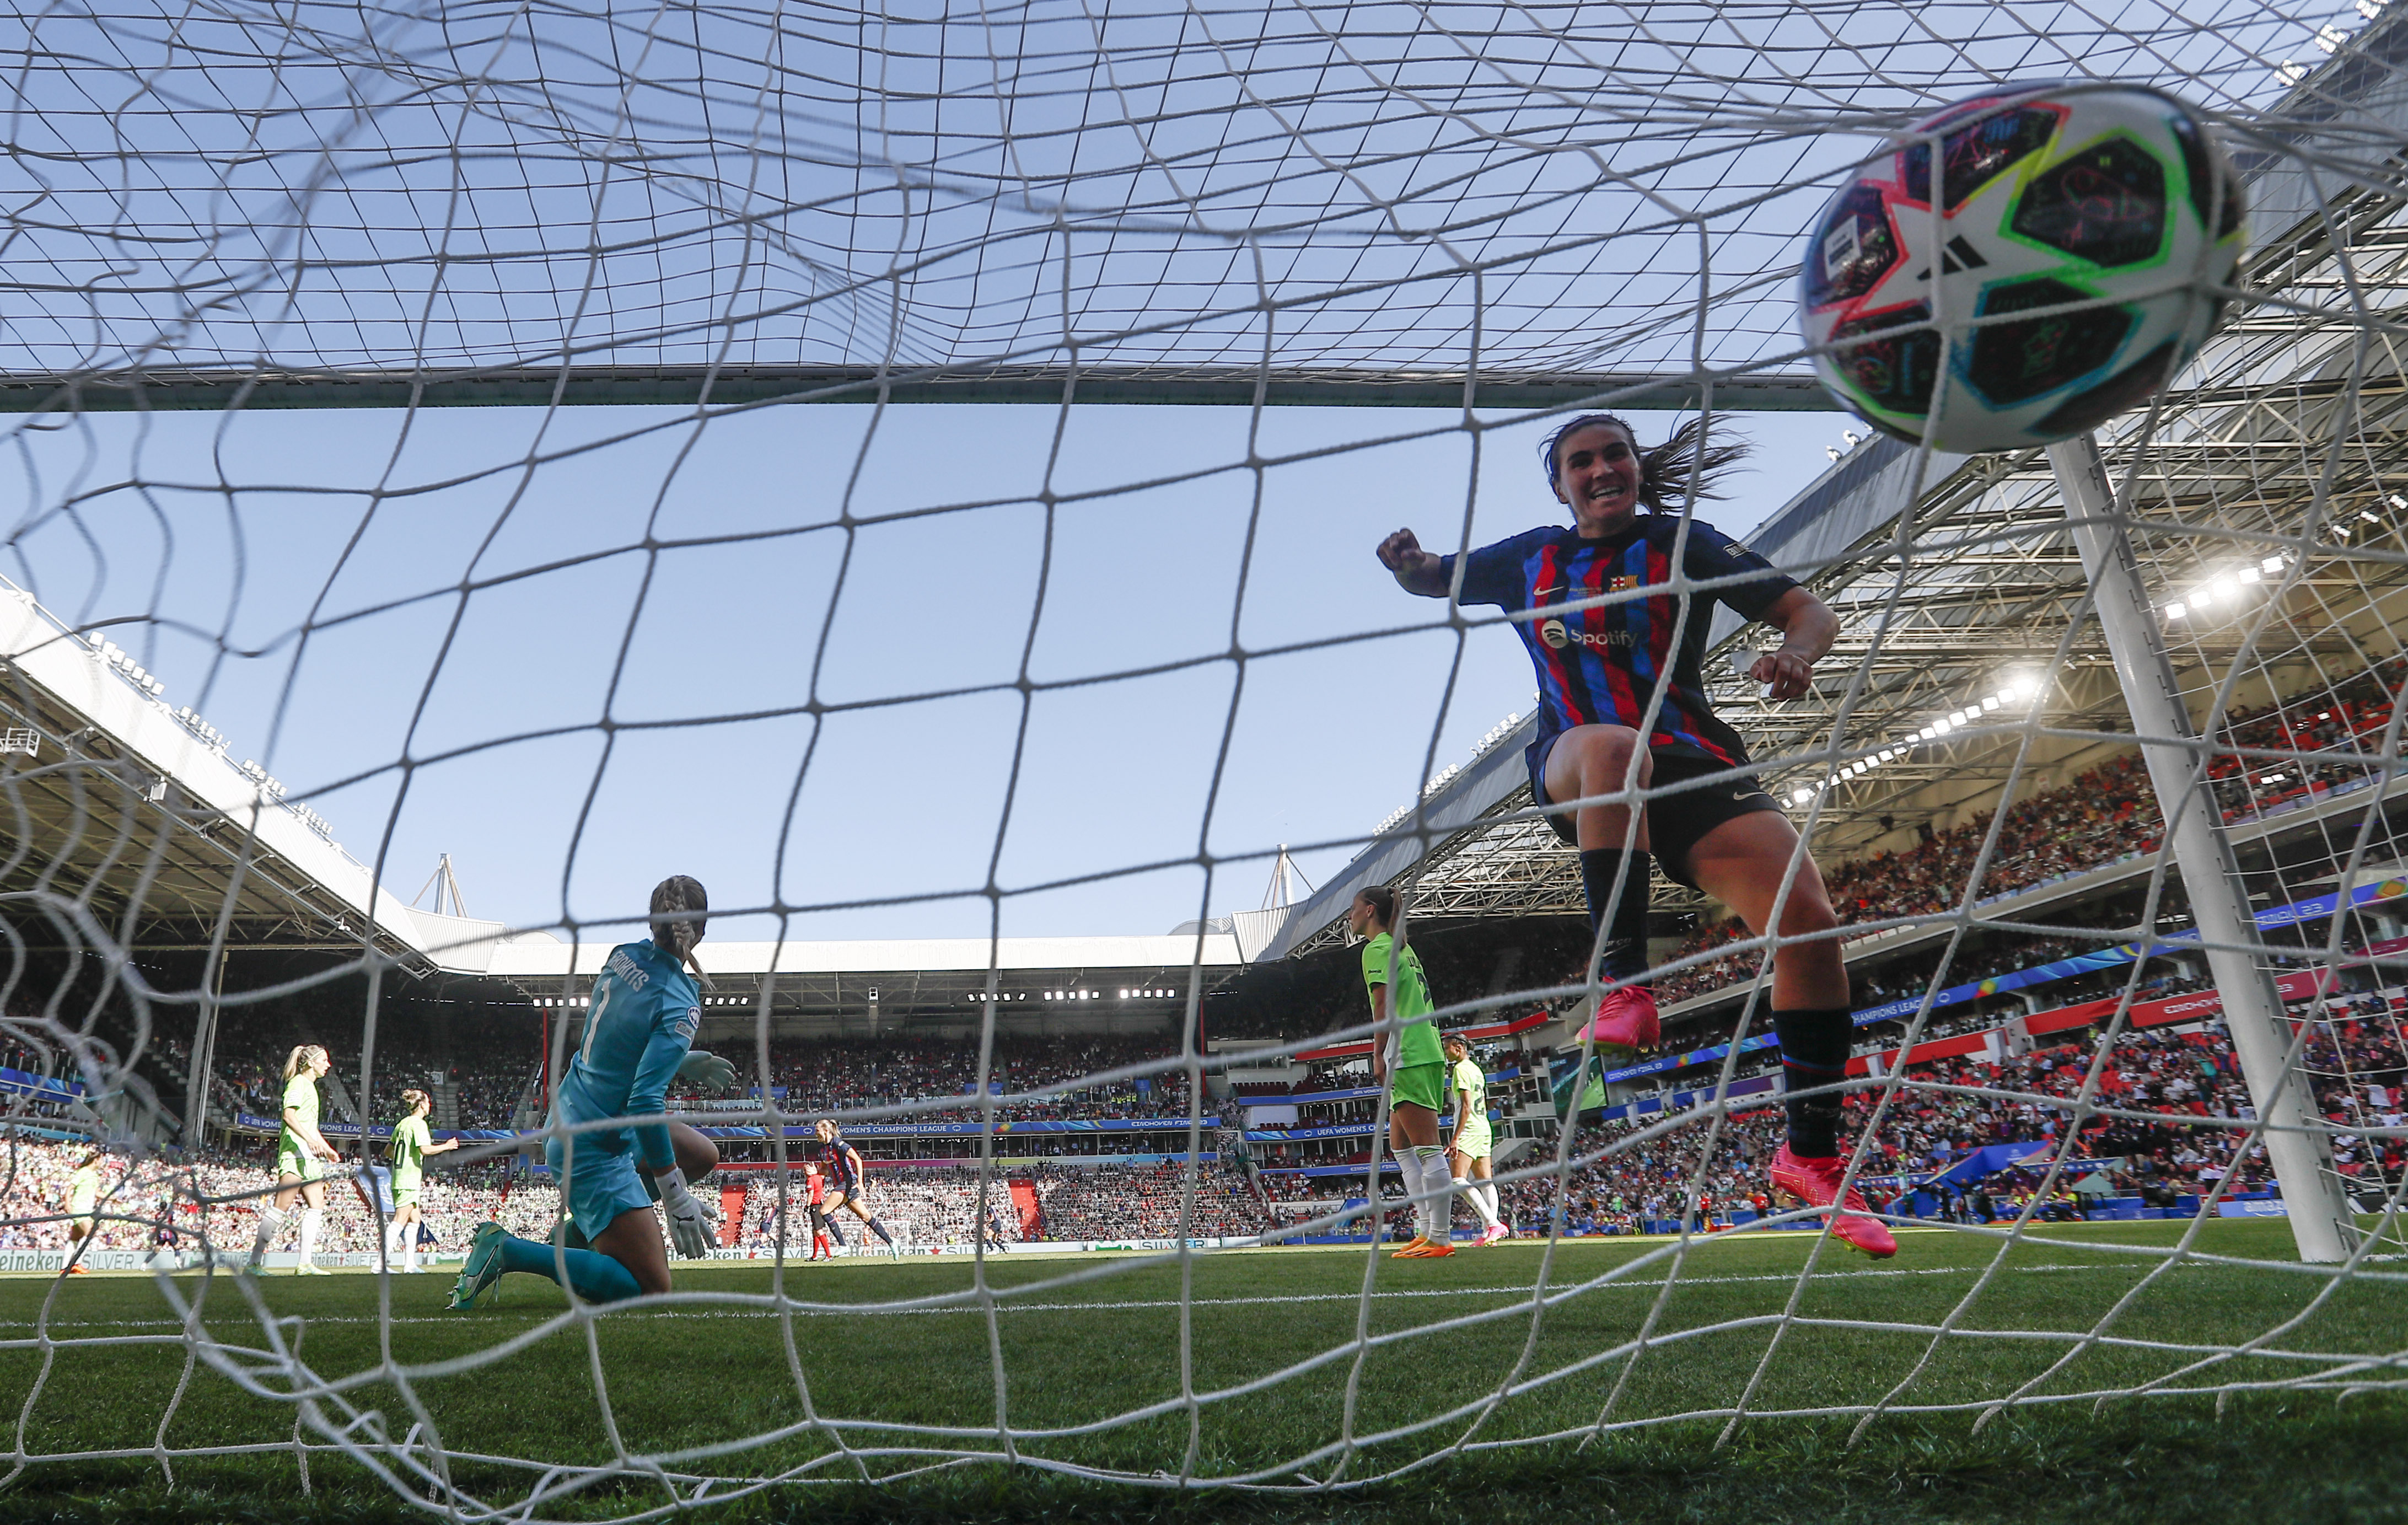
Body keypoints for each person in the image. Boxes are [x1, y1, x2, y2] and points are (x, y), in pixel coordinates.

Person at [1375, 413, 1894, 1259]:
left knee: (1810, 923)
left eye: (1614, 452)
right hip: (1579, 760)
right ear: (1561, 485)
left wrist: (1796, 654)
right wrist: (1408, 564)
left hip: (1693, 761)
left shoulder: (1684, 543)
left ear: (1636, 467)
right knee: (1616, 744)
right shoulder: (1529, 557)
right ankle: (1622, 982)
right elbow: (1438, 578)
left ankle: (1811, 1154)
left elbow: (1810, 613)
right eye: (1581, 460)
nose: (1600, 467)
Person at [450, 876, 724, 1309]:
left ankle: (577, 1233)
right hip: (596, 1145)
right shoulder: (680, 1000)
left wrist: (680, 1060)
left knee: (702, 1155)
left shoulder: (623, 957)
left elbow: (621, 1036)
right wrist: (675, 1196)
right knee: (651, 1290)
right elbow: (645, 1102)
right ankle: (508, 1250)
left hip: (575, 1115)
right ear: (703, 930)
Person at [1351, 886, 1453, 1259]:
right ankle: (1427, 1231)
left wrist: (1376, 1053)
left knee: (1427, 1150)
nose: (1350, 917)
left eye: (1353, 909)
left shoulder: (1376, 949)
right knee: (1402, 1148)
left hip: (1410, 1051)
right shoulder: (1403, 949)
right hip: (1421, 1047)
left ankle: (1440, 1238)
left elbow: (1383, 1007)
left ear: (1369, 910)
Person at [248, 1045, 341, 1275]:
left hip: (308, 1155)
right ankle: (253, 1263)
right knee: (281, 1207)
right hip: (294, 1152)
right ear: (311, 1063)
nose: (328, 1065)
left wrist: (327, 1149)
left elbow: (310, 1126)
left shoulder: (310, 1087)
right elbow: (288, 1116)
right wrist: (309, 1140)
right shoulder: (298, 1083)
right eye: (324, 1061)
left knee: (317, 1205)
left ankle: (305, 1263)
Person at [384, 1088, 460, 1273]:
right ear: (422, 1104)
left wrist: (402, 1162)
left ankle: (409, 1265)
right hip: (408, 1178)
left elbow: (388, 1151)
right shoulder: (418, 1124)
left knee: (414, 1220)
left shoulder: (402, 1124)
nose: (430, 1105)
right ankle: (379, 1264)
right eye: (428, 1102)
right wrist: (447, 1146)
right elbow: (425, 1150)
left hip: (401, 1176)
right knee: (400, 1220)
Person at [1442, 1034, 1507, 1248]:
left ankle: (1492, 1225)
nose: (1445, 1052)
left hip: (1469, 1129)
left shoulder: (1460, 1070)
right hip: (1483, 1127)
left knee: (1458, 1180)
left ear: (1458, 1048)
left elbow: (1467, 1106)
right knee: (1486, 1182)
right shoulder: (1476, 1069)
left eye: (1447, 1048)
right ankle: (1491, 1233)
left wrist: (1456, 1138)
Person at [814, 1119, 901, 1258]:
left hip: (848, 1183)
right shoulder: (822, 1150)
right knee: (866, 1217)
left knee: (824, 1210)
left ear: (826, 1131)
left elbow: (857, 1159)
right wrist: (816, 1171)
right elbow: (825, 1171)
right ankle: (892, 1242)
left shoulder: (838, 1143)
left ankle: (843, 1245)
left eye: (817, 1131)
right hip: (842, 1185)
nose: (815, 1134)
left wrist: (860, 1182)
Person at [61, 1148, 101, 1274]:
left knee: (75, 1237)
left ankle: (65, 1267)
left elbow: (98, 1193)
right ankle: (77, 1263)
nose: (102, 1163)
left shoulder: (95, 1176)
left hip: (87, 1209)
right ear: (96, 1161)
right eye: (101, 1161)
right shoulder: (83, 1172)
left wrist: (113, 1198)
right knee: (89, 1232)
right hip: (79, 1207)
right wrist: (67, 1203)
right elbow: (70, 1188)